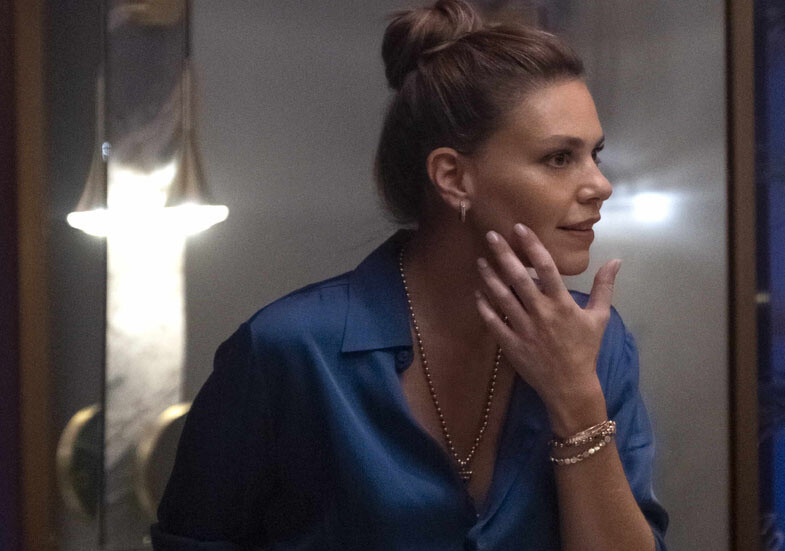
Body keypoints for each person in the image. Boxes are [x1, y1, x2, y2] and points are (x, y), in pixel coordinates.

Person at [151, 1, 668, 549]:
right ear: (453, 177)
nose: (600, 186)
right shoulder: (288, 352)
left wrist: (576, 400)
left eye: (595, 154)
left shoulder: (599, 345)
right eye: (560, 158)